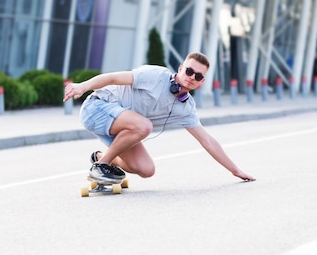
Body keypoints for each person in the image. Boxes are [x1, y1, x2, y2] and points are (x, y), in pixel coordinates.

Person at [63, 52, 256, 183]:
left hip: (125, 127)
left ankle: (100, 157)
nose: (191, 77)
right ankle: (100, 166)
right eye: (189, 71)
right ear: (180, 69)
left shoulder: (185, 108)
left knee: (146, 170)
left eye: (197, 76)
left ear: (201, 82)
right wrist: (83, 86)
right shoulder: (155, 76)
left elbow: (208, 141)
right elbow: (113, 77)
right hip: (96, 108)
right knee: (144, 126)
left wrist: (235, 171)